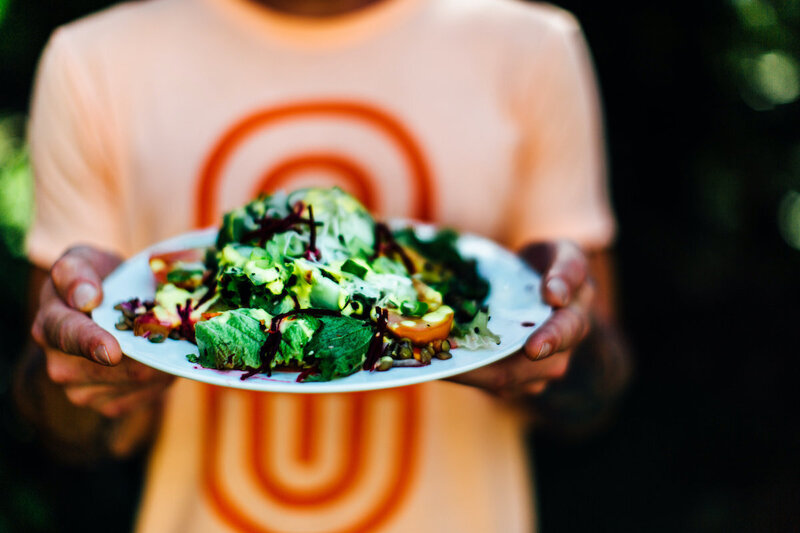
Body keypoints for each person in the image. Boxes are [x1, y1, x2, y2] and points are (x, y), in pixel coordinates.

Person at [21, 0, 629, 531]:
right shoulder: (93, 61)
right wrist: (87, 365)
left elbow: (594, 391)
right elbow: (68, 424)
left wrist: (556, 337)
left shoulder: (532, 48)